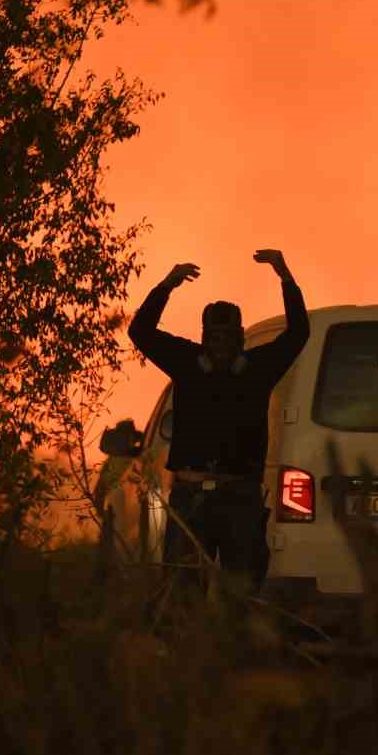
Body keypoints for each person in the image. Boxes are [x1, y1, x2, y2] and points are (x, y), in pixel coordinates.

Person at [128, 249, 309, 593]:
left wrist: (285, 276)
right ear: (204, 338)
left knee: (242, 598)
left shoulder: (257, 368)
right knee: (180, 596)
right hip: (190, 497)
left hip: (239, 499)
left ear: (240, 337)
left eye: (228, 337)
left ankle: (233, 647)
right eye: (214, 338)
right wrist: (166, 285)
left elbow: (299, 333)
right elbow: (140, 331)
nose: (221, 345)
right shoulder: (187, 362)